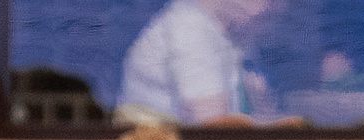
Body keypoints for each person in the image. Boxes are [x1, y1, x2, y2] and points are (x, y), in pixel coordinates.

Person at [116, 0, 277, 127]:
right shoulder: (189, 26)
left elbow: (262, 113)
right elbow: (213, 129)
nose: (272, 6)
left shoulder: (231, 31)